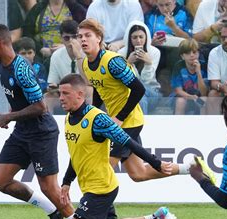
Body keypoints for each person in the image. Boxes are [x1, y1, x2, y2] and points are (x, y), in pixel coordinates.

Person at [54, 73, 182, 219]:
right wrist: (66, 182)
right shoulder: (68, 118)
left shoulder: (97, 119)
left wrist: (155, 162)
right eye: (59, 93)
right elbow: (77, 154)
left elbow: (128, 141)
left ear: (80, 94)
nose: (61, 98)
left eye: (65, 93)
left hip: (101, 188)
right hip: (91, 186)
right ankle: (156, 217)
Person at [0, 24, 85, 219]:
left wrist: (8, 118)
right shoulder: (2, 66)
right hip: (22, 132)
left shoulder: (21, 68)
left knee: (49, 187)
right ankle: (52, 210)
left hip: (41, 132)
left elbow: (40, 107)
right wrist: (8, 116)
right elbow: (20, 102)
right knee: (1, 181)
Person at [78, 18, 191, 182]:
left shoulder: (113, 61)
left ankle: (94, 208)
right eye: (80, 36)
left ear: (99, 38)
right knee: (138, 174)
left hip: (128, 121)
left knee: (105, 169)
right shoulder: (87, 65)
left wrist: (119, 117)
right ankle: (191, 168)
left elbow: (139, 89)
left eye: (87, 35)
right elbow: (98, 89)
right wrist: (93, 115)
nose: (83, 39)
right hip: (118, 122)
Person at [118, 21, 162, 114]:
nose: (138, 41)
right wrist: (128, 63)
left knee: (139, 93)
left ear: (146, 37)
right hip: (129, 91)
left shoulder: (154, 52)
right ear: (129, 39)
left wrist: (148, 64)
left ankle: (140, 125)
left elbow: (146, 81)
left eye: (141, 37)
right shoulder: (121, 53)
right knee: (139, 95)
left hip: (151, 91)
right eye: (134, 37)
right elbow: (122, 79)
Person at [22, 0, 86, 64]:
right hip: (41, 57)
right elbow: (27, 33)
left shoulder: (75, 8)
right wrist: (40, 49)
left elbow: (84, 32)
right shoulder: (37, 9)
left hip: (70, 55)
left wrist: (66, 46)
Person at [170, 38, 208, 115]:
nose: (192, 55)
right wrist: (191, 97)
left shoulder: (204, 66)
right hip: (182, 96)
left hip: (199, 97)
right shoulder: (178, 66)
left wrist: (199, 73)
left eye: (194, 52)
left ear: (198, 53)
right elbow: (178, 90)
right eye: (187, 53)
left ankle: (204, 125)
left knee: (204, 99)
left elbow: (204, 92)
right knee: (181, 101)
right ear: (182, 56)